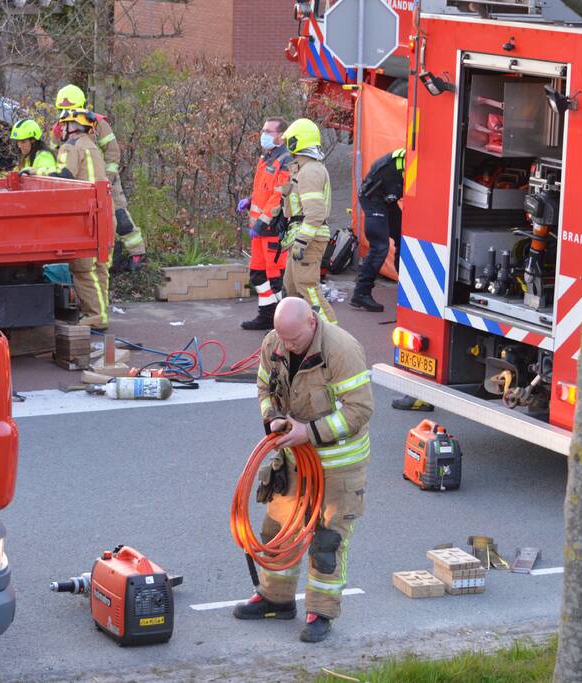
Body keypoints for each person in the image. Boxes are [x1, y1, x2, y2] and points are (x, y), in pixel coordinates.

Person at [233, 297, 373, 643]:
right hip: (293, 460)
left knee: (327, 541)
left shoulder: (341, 350)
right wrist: (273, 418)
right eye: (283, 338)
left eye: (294, 340)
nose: (288, 345)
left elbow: (358, 410)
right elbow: (264, 385)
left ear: (312, 322)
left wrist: (307, 433)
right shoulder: (275, 342)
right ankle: (275, 600)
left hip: (337, 466)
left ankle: (320, 612)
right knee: (277, 531)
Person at [54, 84, 146, 270]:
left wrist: (108, 178)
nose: (67, 114)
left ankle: (138, 254)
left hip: (105, 179)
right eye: (63, 110)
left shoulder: (97, 123)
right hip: (79, 183)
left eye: (70, 110)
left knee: (119, 216)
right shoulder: (58, 129)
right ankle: (99, 259)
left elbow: (112, 152)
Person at [52, 110, 112, 330]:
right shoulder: (92, 146)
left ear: (73, 127)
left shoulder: (72, 147)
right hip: (103, 211)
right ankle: (102, 312)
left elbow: (64, 176)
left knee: (84, 268)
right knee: (100, 267)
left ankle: (96, 316)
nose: (61, 129)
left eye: (64, 124)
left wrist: (34, 173)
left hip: (88, 215)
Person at [278, 119, 338, 325]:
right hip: (303, 237)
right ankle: (295, 333)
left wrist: (302, 241)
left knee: (308, 288)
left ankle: (332, 336)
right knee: (291, 288)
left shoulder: (311, 171)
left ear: (297, 141)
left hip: (309, 239)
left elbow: (315, 213)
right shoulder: (304, 170)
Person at [239, 117, 292, 330]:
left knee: (276, 277)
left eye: (269, 131)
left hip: (272, 229)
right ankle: (267, 315)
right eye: (264, 130)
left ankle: (285, 321)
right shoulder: (266, 158)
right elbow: (264, 191)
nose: (264, 134)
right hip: (259, 229)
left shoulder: (285, 160)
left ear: (281, 135)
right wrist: (250, 202)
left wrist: (262, 222)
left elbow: (279, 197)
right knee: (258, 275)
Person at [350, 148, 405, 312]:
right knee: (380, 246)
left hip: (387, 199)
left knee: (404, 238)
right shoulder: (405, 158)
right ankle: (361, 293)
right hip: (372, 198)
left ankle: (406, 286)